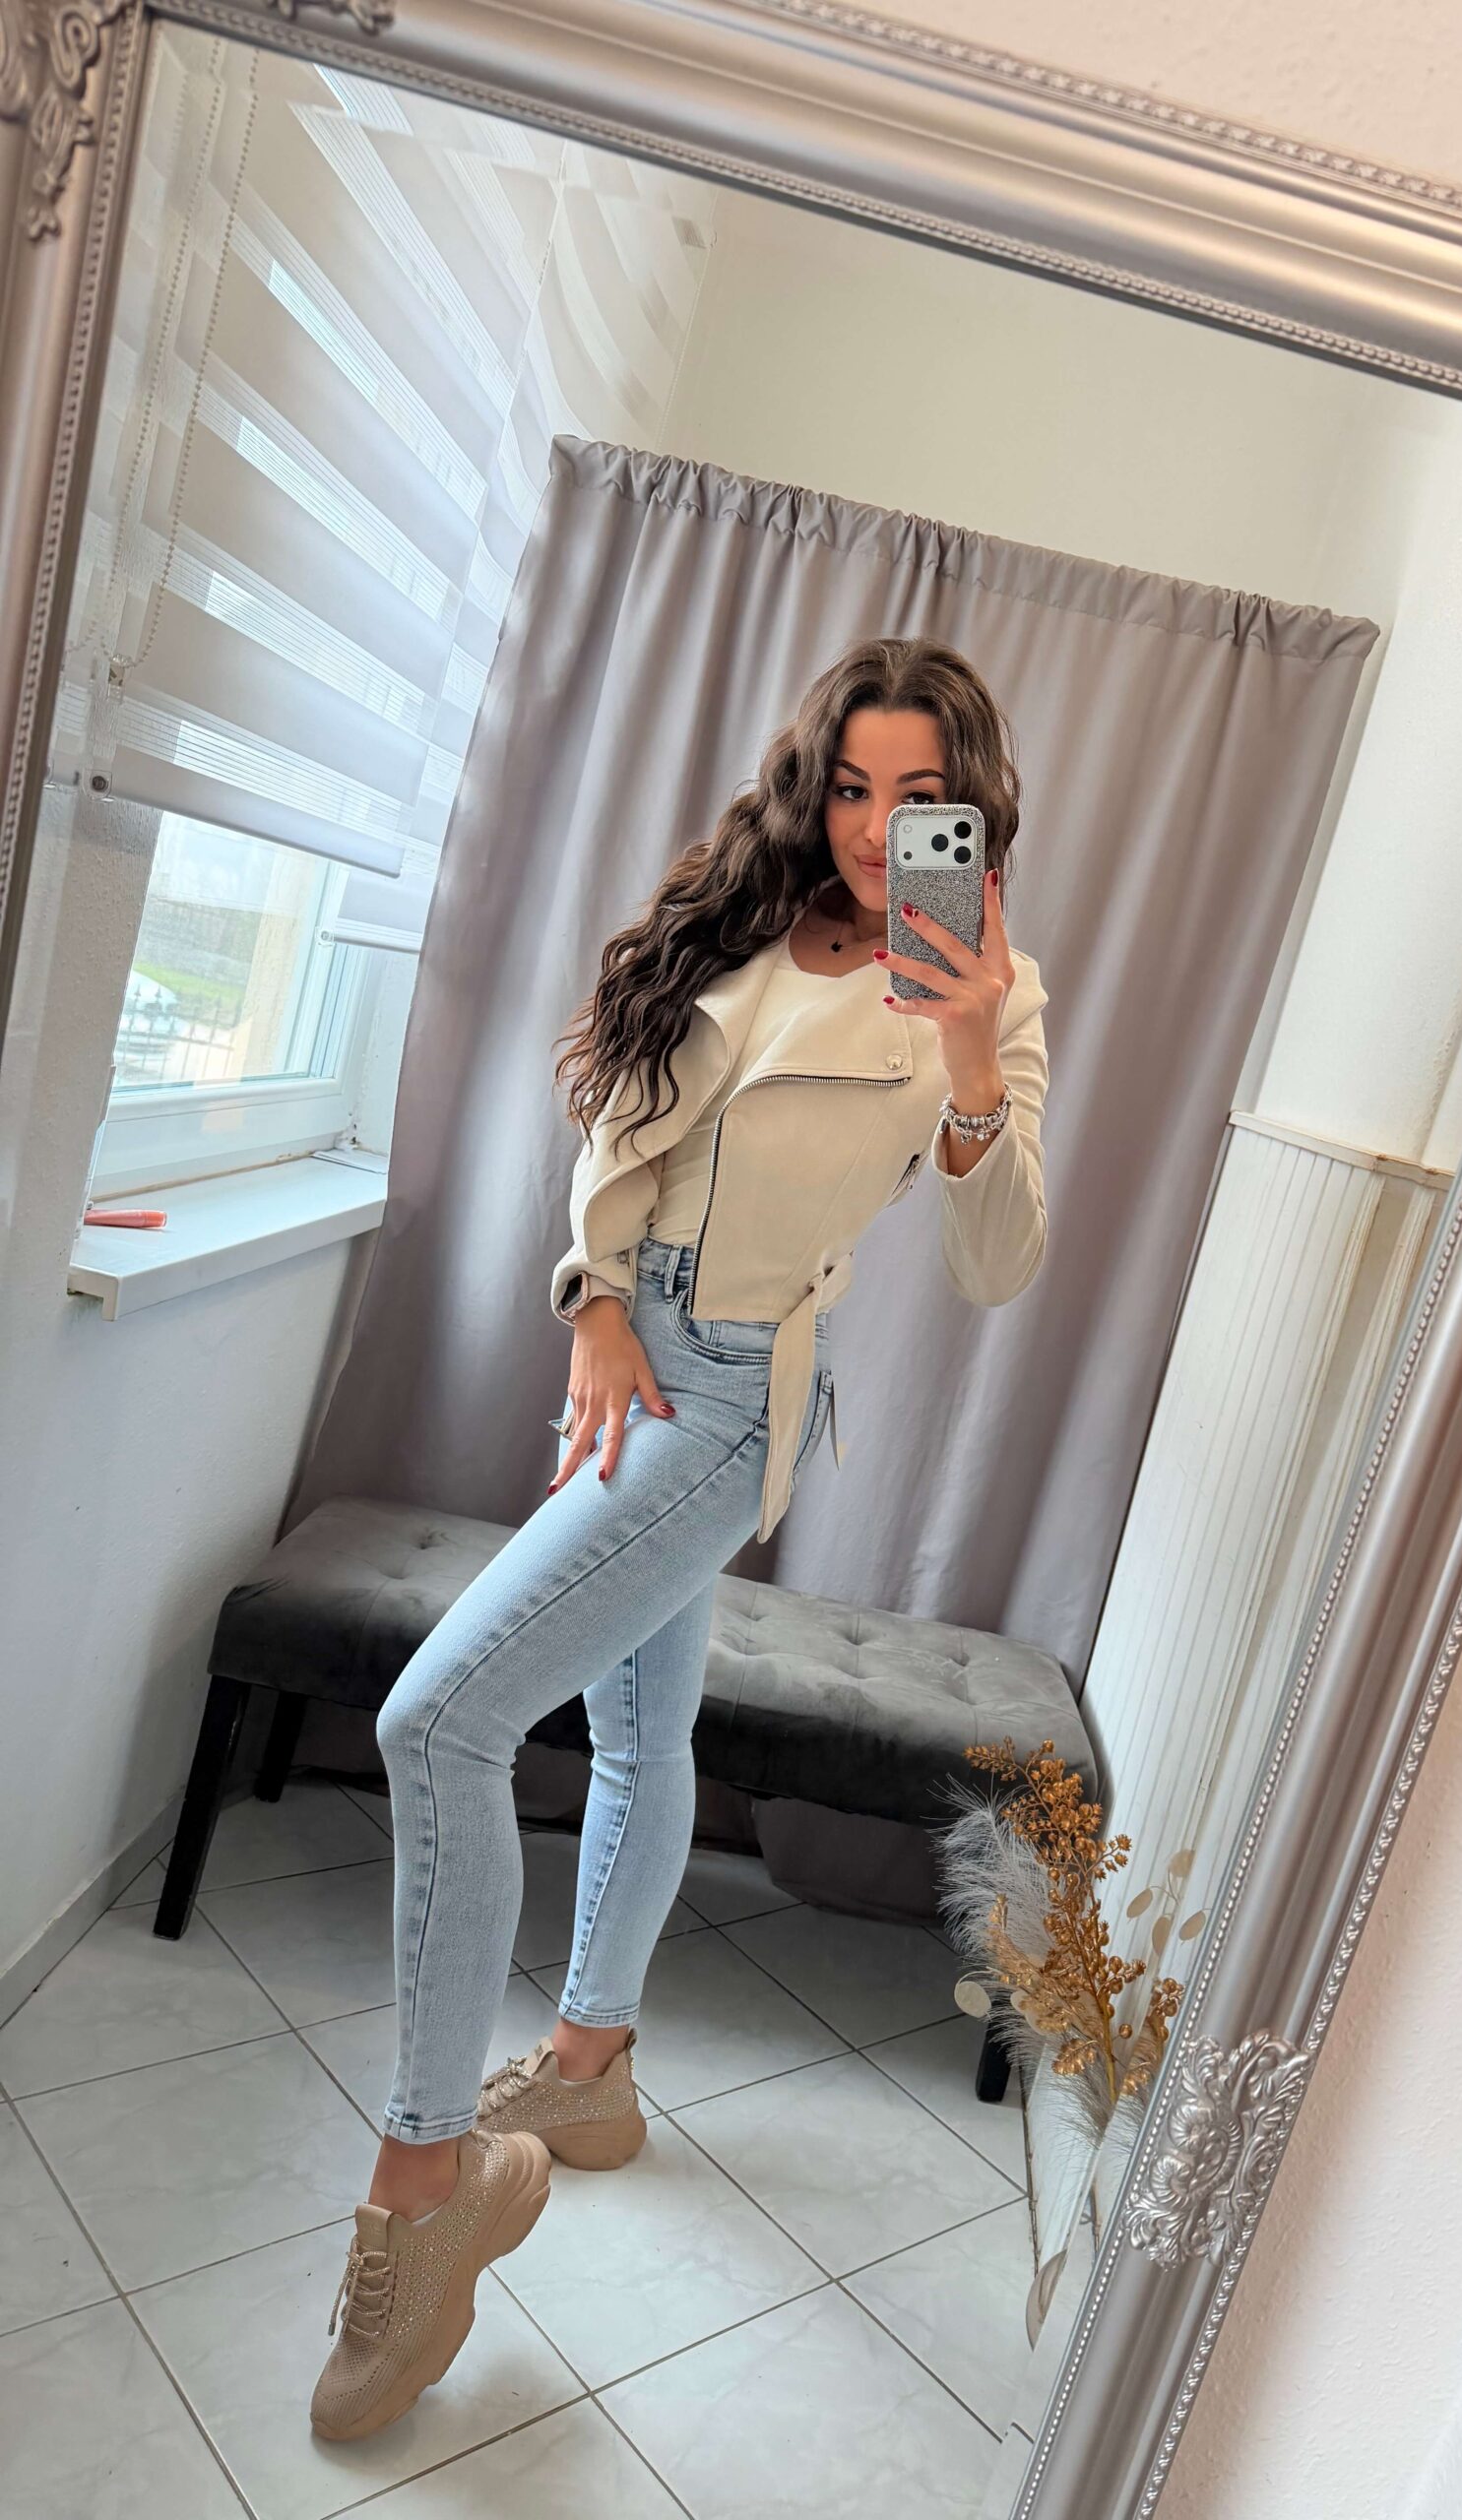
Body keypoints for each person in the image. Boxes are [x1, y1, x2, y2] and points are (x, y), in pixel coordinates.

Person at [310, 634, 1050, 2438]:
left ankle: (425, 2188)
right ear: (815, 783)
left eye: (920, 797)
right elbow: (617, 1133)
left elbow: (997, 1262)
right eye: (854, 786)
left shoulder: (991, 991)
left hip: (728, 1405)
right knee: (641, 1732)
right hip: (625, 1362)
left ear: (971, 810)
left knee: (440, 1721)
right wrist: (588, 1298)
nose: (877, 828)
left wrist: (968, 1057)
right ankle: (589, 2072)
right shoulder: (741, 911)